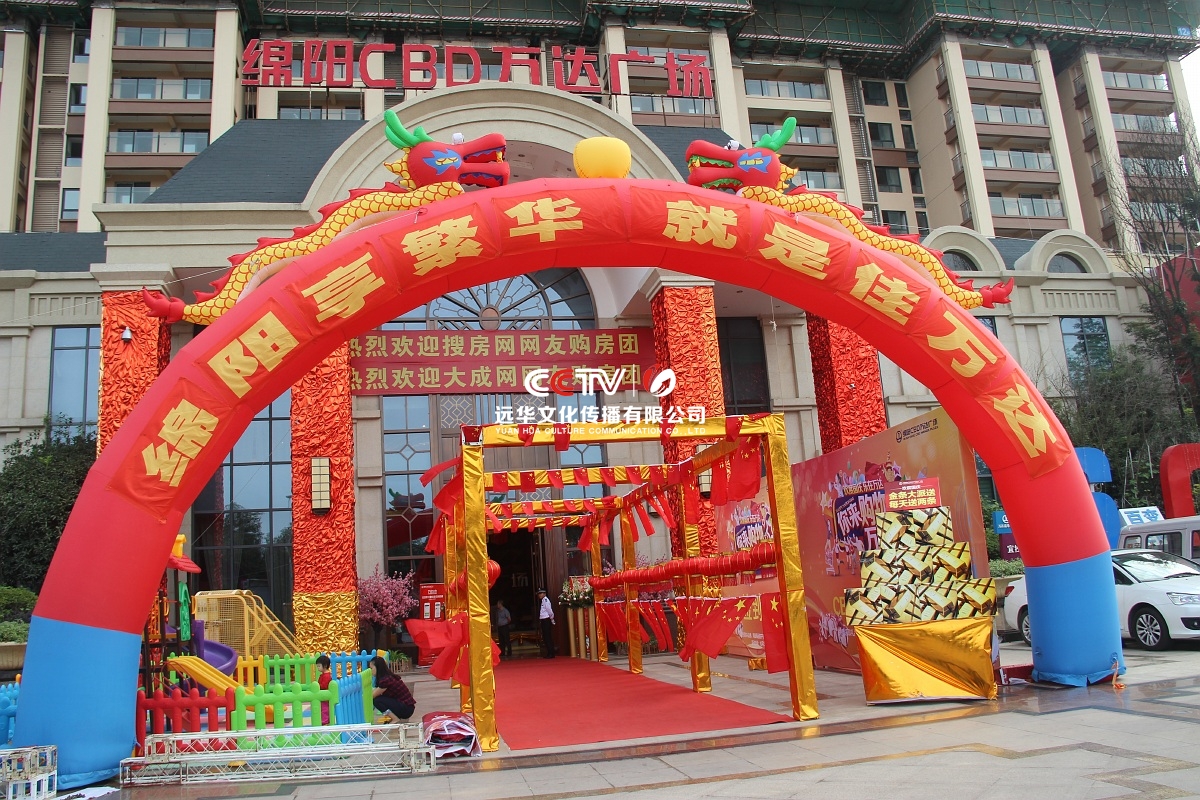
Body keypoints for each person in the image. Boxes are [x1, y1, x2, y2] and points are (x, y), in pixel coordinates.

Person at [369, 655, 415, 722]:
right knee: (380, 698)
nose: (370, 671)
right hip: (407, 707)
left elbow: (372, 695)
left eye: (371, 668)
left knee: (377, 701)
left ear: (378, 667)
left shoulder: (385, 680)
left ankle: (395, 718)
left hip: (406, 709)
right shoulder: (387, 676)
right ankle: (394, 717)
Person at [537, 588, 556, 659]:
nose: (539, 595)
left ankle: (551, 653)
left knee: (548, 637)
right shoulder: (543, 600)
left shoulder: (546, 600)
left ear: (544, 593)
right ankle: (549, 652)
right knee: (545, 637)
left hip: (546, 619)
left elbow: (549, 611)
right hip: (543, 619)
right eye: (539, 593)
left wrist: (552, 618)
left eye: (540, 593)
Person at [315, 654, 333, 725]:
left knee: (325, 709)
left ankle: (325, 721)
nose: (318, 668)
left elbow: (324, 685)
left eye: (319, 666)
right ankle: (324, 720)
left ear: (325, 666)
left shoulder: (326, 676)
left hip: (325, 695)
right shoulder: (323, 675)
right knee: (322, 708)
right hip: (322, 694)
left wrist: (318, 686)